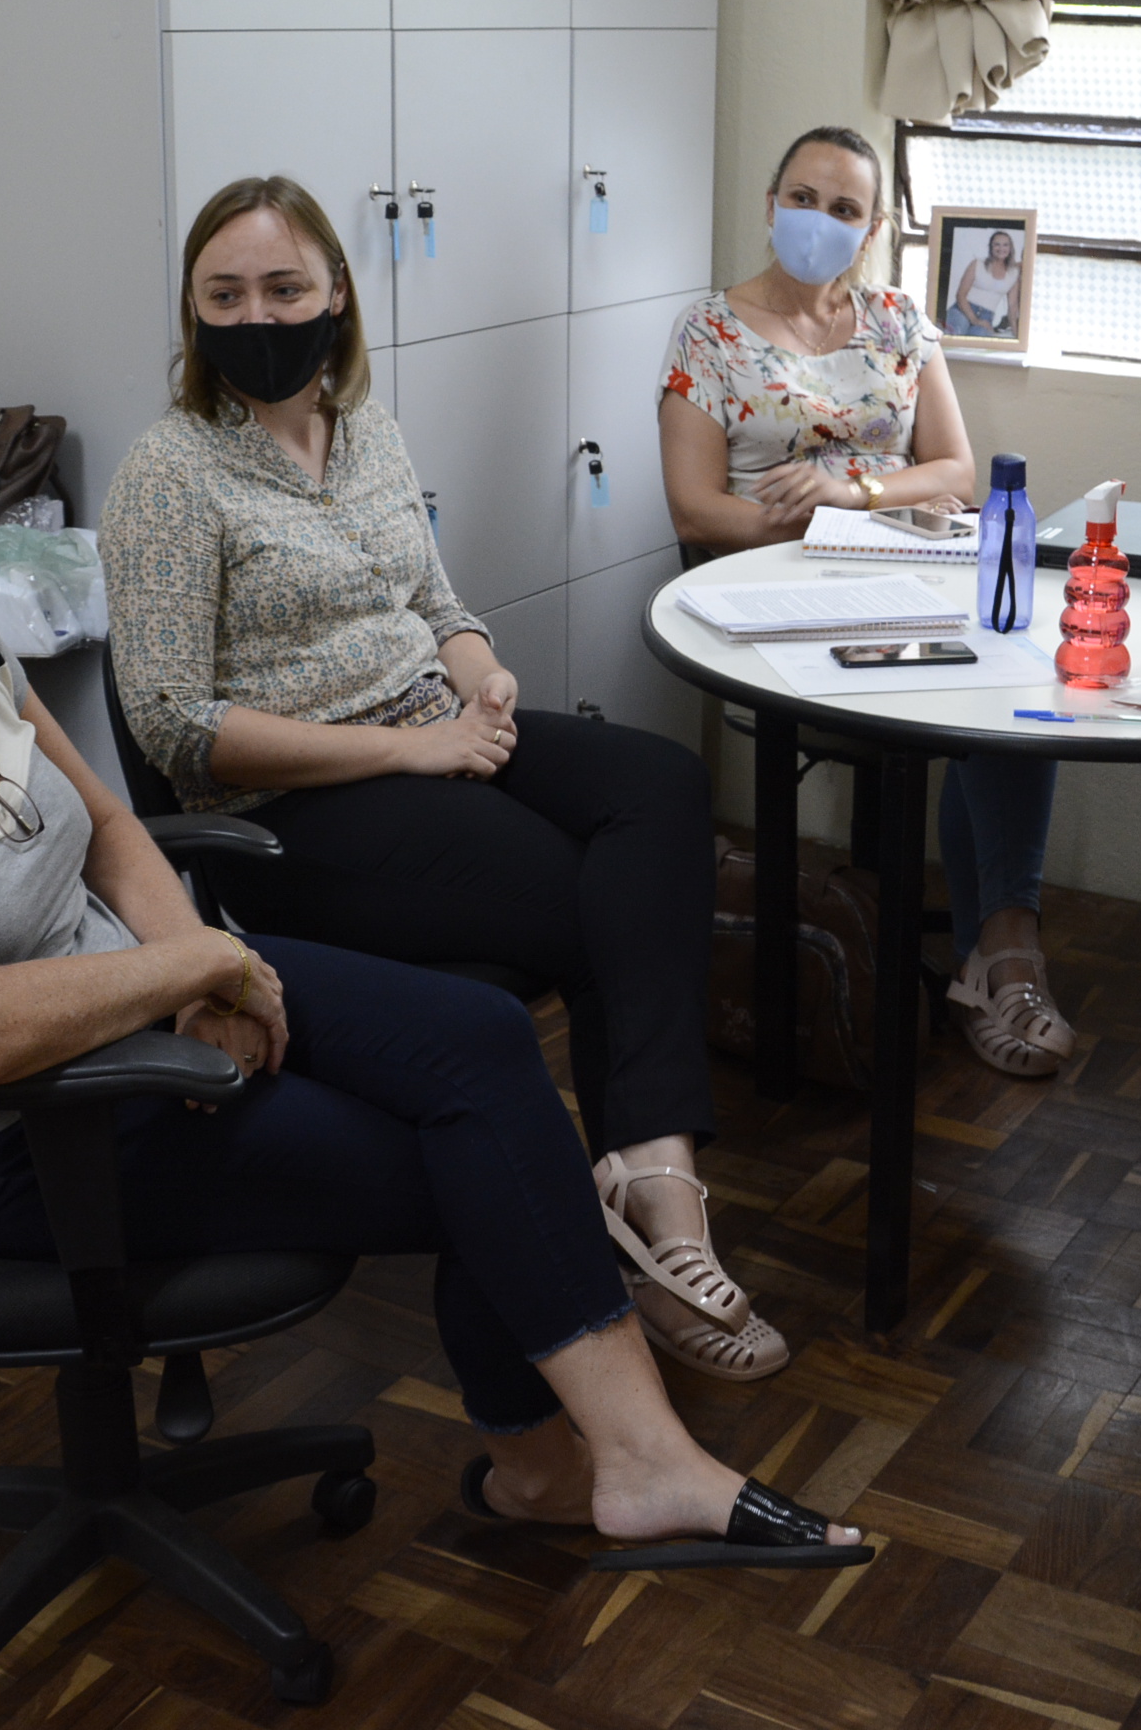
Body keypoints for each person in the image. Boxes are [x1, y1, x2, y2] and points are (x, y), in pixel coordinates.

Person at [0, 298, 863, 1565]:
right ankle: (573, 1463)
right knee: (480, 1159)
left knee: (484, 1041)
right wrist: (202, 961)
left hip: (126, 995)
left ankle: (607, 1459)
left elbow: (108, 823)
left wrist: (191, 974)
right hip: (9, 1135)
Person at [97, 178, 783, 1385]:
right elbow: (172, 726)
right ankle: (648, 1224)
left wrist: (481, 674)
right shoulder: (170, 470)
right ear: (193, 312)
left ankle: (646, 1166)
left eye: (284, 287)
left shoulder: (364, 426)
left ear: (336, 293)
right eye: (226, 294)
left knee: (660, 785)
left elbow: (434, 599)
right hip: (301, 807)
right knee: (595, 901)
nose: (258, 316)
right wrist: (409, 749)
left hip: (437, 730)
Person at [658, 126, 1077, 1079]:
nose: (820, 221)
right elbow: (694, 508)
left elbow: (957, 471)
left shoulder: (898, 321)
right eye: (803, 199)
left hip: (909, 574)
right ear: (771, 204)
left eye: (844, 208)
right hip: (781, 594)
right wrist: (810, 533)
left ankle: (1001, 950)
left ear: (874, 228)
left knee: (1022, 680)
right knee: (971, 693)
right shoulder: (709, 332)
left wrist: (851, 496)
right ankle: (996, 957)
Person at [943, 229, 1019, 339]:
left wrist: (1016, 334)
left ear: (1010, 248)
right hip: (963, 309)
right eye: (997, 244)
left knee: (977, 339)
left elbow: (1012, 306)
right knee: (957, 334)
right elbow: (960, 295)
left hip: (986, 316)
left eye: (1005, 245)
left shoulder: (1014, 273)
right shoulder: (977, 264)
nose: (1001, 248)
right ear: (991, 247)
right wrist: (975, 320)